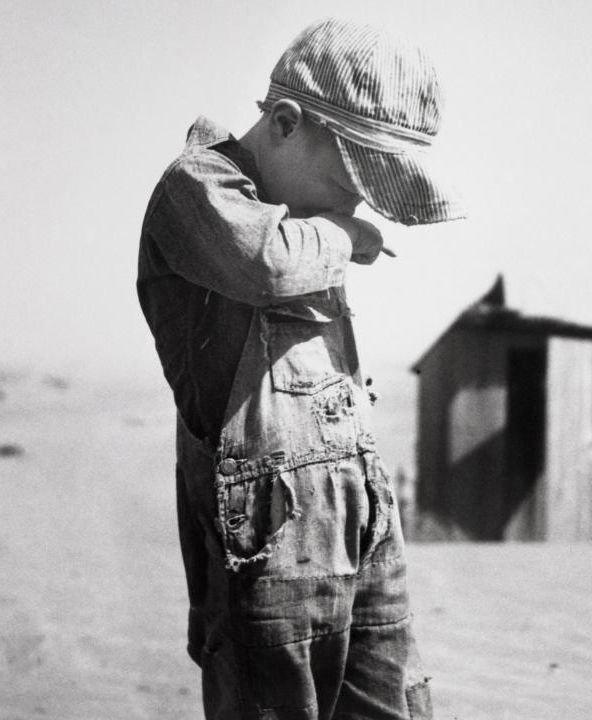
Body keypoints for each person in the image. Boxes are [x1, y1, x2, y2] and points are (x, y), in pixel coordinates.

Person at [136, 18, 464, 720]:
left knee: (395, 702)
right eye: (352, 180)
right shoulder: (196, 190)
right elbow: (268, 262)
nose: (357, 207)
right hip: (267, 543)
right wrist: (344, 234)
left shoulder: (297, 218)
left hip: (361, 511)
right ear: (285, 123)